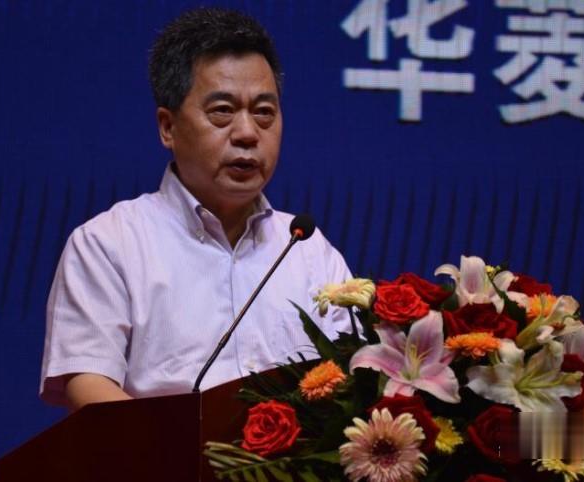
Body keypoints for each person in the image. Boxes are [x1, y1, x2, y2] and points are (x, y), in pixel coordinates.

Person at [39, 7, 353, 411]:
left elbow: (353, 380)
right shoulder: (108, 244)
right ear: (168, 127)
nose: (247, 133)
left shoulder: (306, 248)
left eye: (264, 113)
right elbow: (90, 386)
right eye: (222, 111)